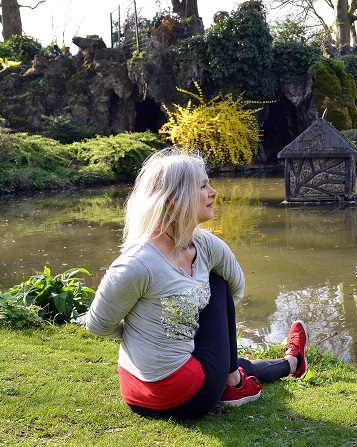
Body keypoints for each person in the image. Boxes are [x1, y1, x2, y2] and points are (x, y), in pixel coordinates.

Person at [82, 149, 308, 420]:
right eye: (202, 186)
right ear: (175, 199)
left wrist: (183, 325)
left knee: (230, 359)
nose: (213, 192)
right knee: (217, 280)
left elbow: (238, 290)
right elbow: (97, 324)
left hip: (138, 395)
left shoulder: (206, 245)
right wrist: (148, 332)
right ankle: (236, 381)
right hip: (183, 394)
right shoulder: (138, 263)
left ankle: (291, 362)